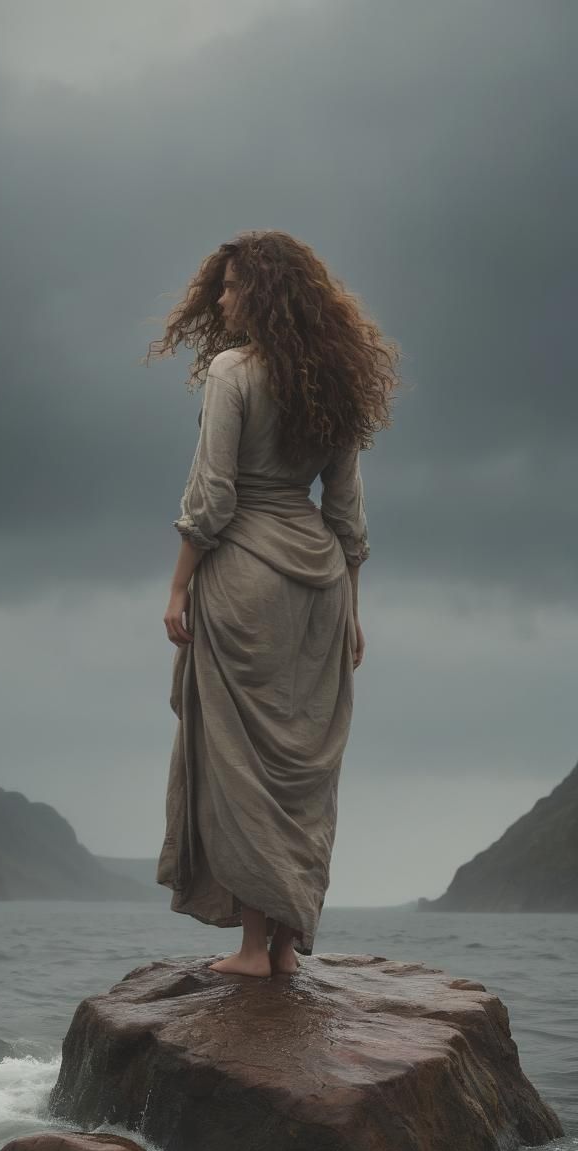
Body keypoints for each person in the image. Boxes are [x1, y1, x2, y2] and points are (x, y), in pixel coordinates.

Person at [145, 229, 400, 978]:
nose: (220, 298)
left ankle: (254, 950)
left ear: (258, 292)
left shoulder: (232, 371)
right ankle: (286, 949)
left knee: (244, 761)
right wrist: (352, 610)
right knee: (303, 768)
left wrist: (179, 581)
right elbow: (348, 513)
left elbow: (214, 495)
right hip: (319, 580)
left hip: (246, 572)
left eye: (229, 286)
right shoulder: (339, 382)